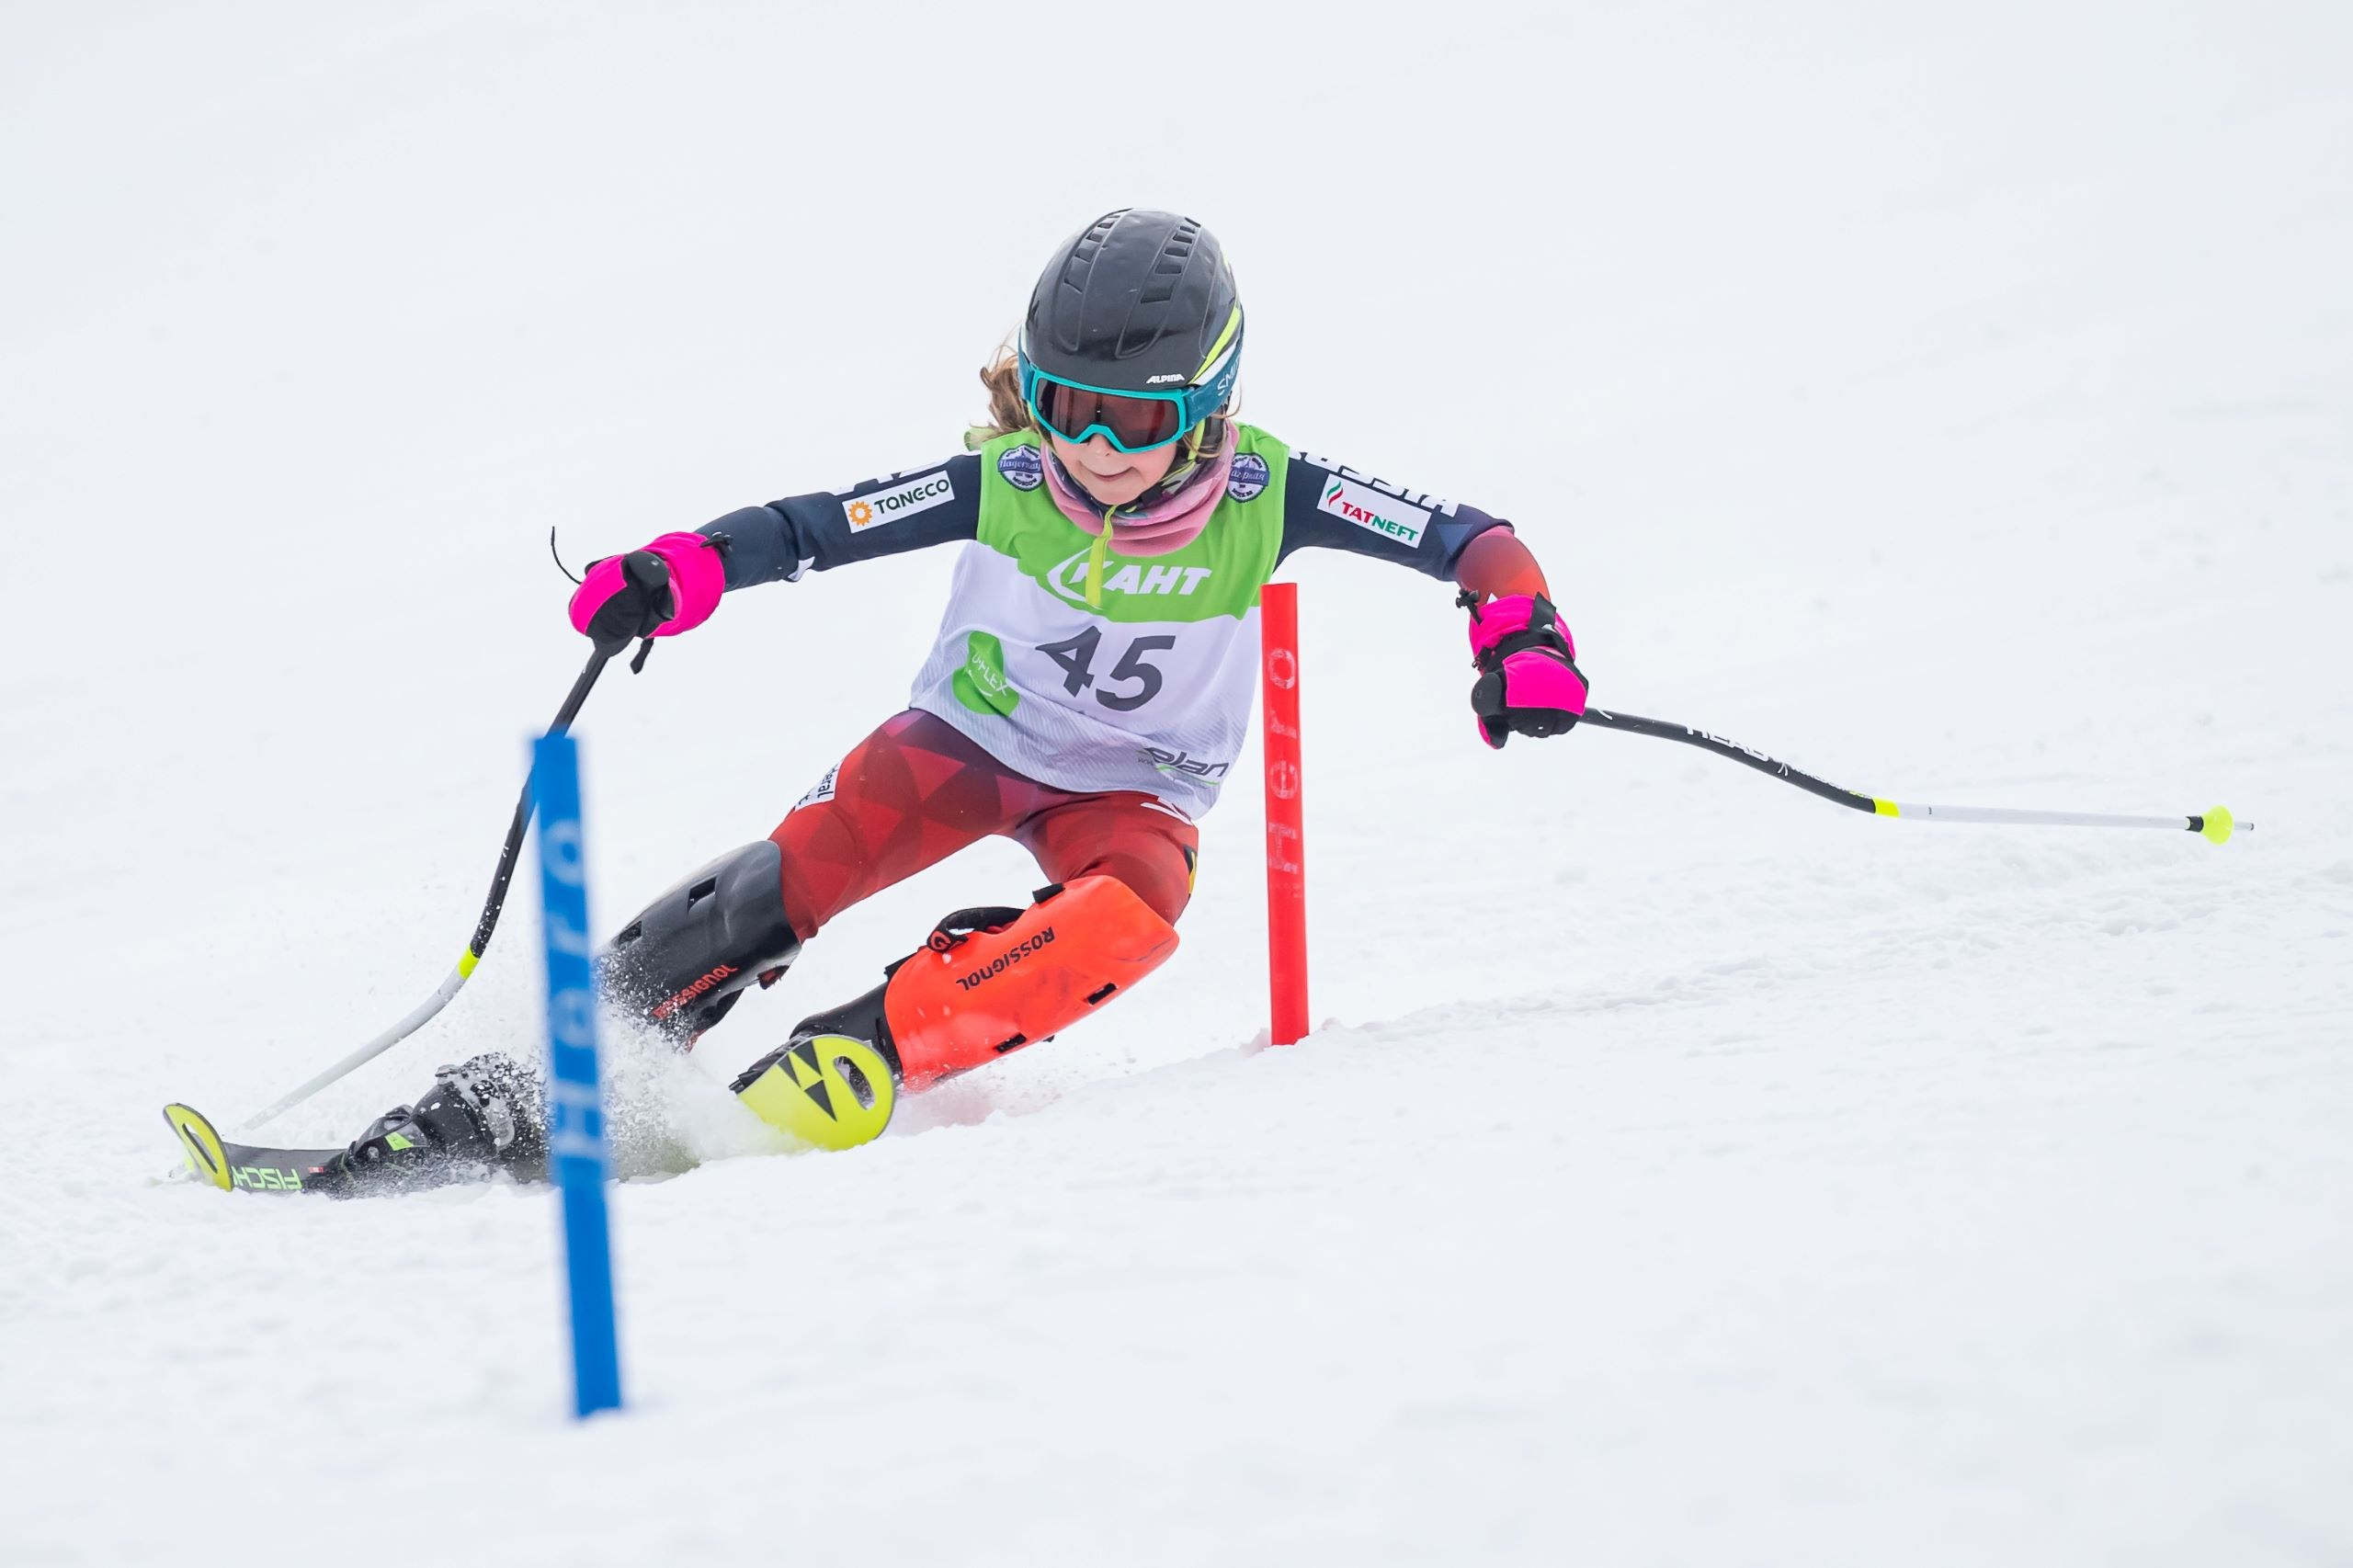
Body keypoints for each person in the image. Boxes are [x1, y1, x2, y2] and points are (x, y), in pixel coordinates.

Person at [332, 208, 1586, 1188]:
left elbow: (1472, 539)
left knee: (1133, 915)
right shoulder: (1008, 479)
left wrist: (1519, 631)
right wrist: (684, 569)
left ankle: (846, 1060)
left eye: (1132, 418)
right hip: (968, 744)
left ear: (1208, 404)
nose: (1092, 446)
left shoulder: (1272, 493)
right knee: (799, 867)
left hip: (1136, 792)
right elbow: (819, 525)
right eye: (1064, 405)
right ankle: (529, 1077)